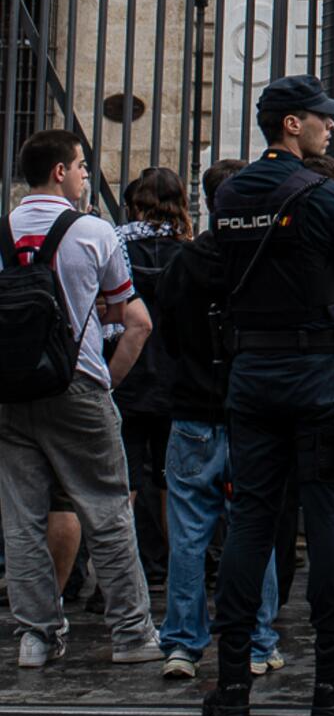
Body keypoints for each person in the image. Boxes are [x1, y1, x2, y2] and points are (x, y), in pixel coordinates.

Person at [205, 74, 334, 716]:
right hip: (311, 371)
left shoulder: (227, 196)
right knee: (329, 518)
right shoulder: (326, 195)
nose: (330, 126)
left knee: (251, 522)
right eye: (321, 118)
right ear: (290, 125)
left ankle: (230, 688)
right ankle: (331, 684)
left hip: (250, 372)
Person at [0, 127, 160, 671]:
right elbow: (136, 322)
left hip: (12, 391)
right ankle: (133, 634)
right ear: (60, 172)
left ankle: (35, 638)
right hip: (79, 384)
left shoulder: (2, 230)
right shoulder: (94, 232)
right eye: (83, 165)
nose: (87, 174)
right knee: (108, 511)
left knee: (21, 519)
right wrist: (106, 383)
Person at [151, 160, 284, 684]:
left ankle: (183, 643)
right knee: (253, 528)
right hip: (248, 408)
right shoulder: (257, 262)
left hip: (191, 409)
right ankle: (257, 638)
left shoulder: (186, 261)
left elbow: (167, 332)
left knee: (188, 532)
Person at [113, 165, 193, 585]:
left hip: (127, 372)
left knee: (124, 479)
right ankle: (175, 566)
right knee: (169, 478)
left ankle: (124, 572)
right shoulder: (189, 252)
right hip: (175, 376)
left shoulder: (117, 246)